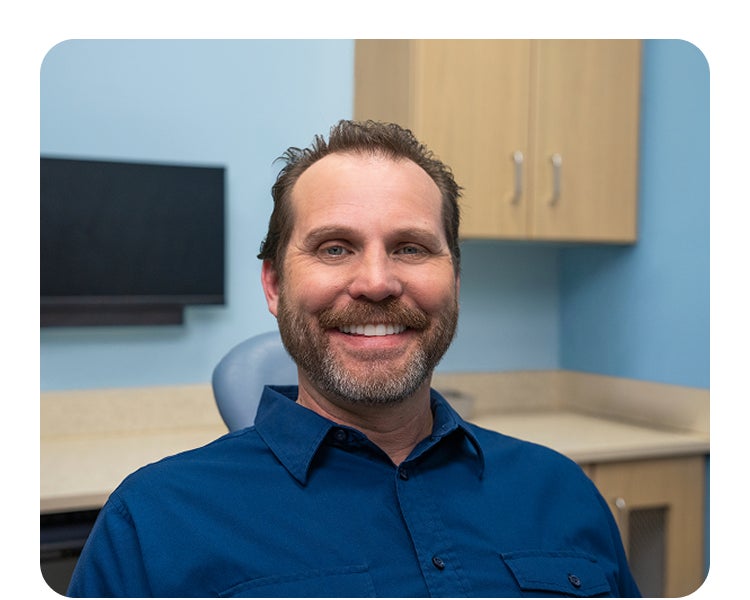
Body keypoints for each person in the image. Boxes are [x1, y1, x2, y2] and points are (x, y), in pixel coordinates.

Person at [67, 120, 641, 597]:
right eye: (334, 248)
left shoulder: (562, 491)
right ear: (273, 285)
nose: (376, 282)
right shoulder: (154, 522)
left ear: (456, 281)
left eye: (410, 248)